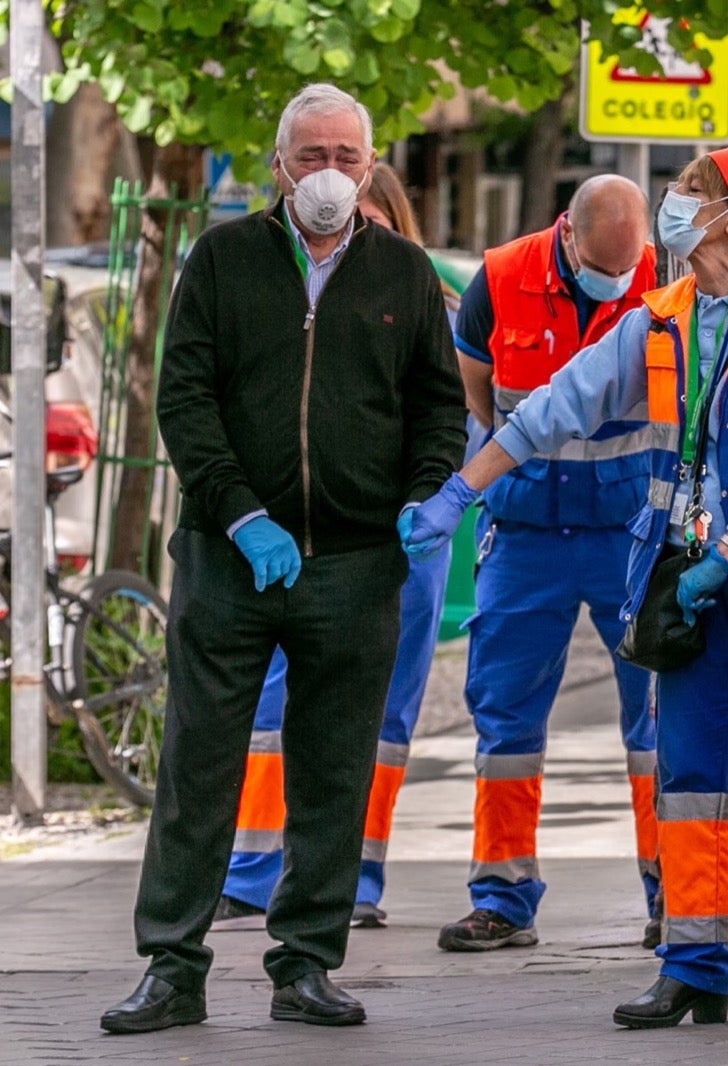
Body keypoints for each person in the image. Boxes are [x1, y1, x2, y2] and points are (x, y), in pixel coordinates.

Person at [404, 143, 728, 1029]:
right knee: (690, 777)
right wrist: (464, 489)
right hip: (690, 581)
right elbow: (556, 404)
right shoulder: (658, 320)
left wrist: (723, 556)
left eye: (690, 191)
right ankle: (694, 962)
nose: (673, 202)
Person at [99, 83, 465, 1035]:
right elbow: (184, 402)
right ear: (277, 166)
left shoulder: (406, 274)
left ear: (373, 166)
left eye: (349, 158)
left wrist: (429, 493)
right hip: (230, 562)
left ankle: (305, 962)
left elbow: (437, 407)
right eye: (313, 158)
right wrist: (240, 515)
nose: (332, 177)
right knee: (198, 767)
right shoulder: (220, 260)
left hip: (354, 566)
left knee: (335, 772)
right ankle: (171, 967)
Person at [215, 162, 457, 933]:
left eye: (373, 217)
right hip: (305, 539)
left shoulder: (426, 298)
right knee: (273, 701)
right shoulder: (281, 286)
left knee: (382, 712)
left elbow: (447, 418)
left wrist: (433, 500)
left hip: (403, 543)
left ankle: (357, 877)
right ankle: (253, 871)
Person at [432, 174, 663, 954]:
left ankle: (672, 895)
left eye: (627, 269)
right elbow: (478, 396)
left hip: (629, 529)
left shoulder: (665, 280)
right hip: (527, 530)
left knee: (657, 721)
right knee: (505, 717)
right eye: (605, 268)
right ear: (567, 233)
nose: (618, 281)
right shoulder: (499, 279)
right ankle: (501, 896)